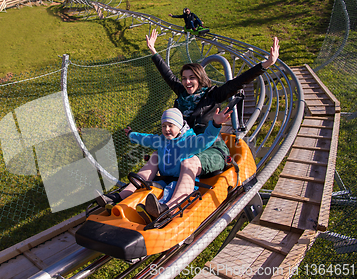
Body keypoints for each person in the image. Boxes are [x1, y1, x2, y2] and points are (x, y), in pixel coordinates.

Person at [98, 30, 280, 219]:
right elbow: (167, 76)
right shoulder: (182, 96)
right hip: (184, 146)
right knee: (155, 156)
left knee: (188, 162)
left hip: (209, 148)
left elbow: (237, 83)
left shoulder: (212, 95)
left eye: (191, 78)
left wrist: (265, 65)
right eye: (184, 78)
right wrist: (153, 51)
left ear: (200, 78)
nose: (187, 82)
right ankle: (121, 196)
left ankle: (169, 207)